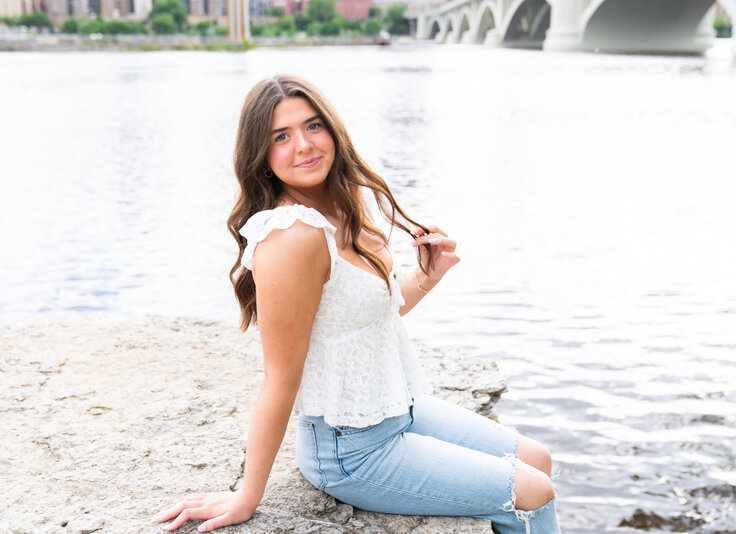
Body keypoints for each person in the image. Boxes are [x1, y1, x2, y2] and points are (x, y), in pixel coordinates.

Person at [152, 74, 561, 534]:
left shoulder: (342, 209)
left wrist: (425, 279)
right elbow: (280, 378)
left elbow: (359, 320)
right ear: (260, 156)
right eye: (280, 137)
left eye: (312, 126)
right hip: (351, 449)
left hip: (397, 411)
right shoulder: (291, 236)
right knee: (531, 491)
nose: (303, 145)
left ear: (332, 129)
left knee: (538, 460)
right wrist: (248, 496)